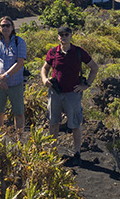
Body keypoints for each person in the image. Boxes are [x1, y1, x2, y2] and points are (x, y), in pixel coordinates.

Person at [40, 25, 98, 166]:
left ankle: (77, 153)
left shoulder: (78, 52)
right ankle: (52, 153)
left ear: (71, 35)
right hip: (55, 92)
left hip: (72, 93)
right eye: (61, 34)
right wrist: (44, 79)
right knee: (54, 123)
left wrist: (86, 85)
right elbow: (45, 68)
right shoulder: (53, 52)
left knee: (75, 124)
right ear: (58, 36)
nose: (64, 37)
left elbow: (94, 68)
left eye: (66, 34)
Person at [0, 16, 27, 134]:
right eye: (2, 25)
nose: (5, 28)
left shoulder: (19, 41)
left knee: (18, 112)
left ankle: (19, 139)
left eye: (7, 25)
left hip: (15, 83)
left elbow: (20, 62)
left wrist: (5, 76)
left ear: (12, 27)